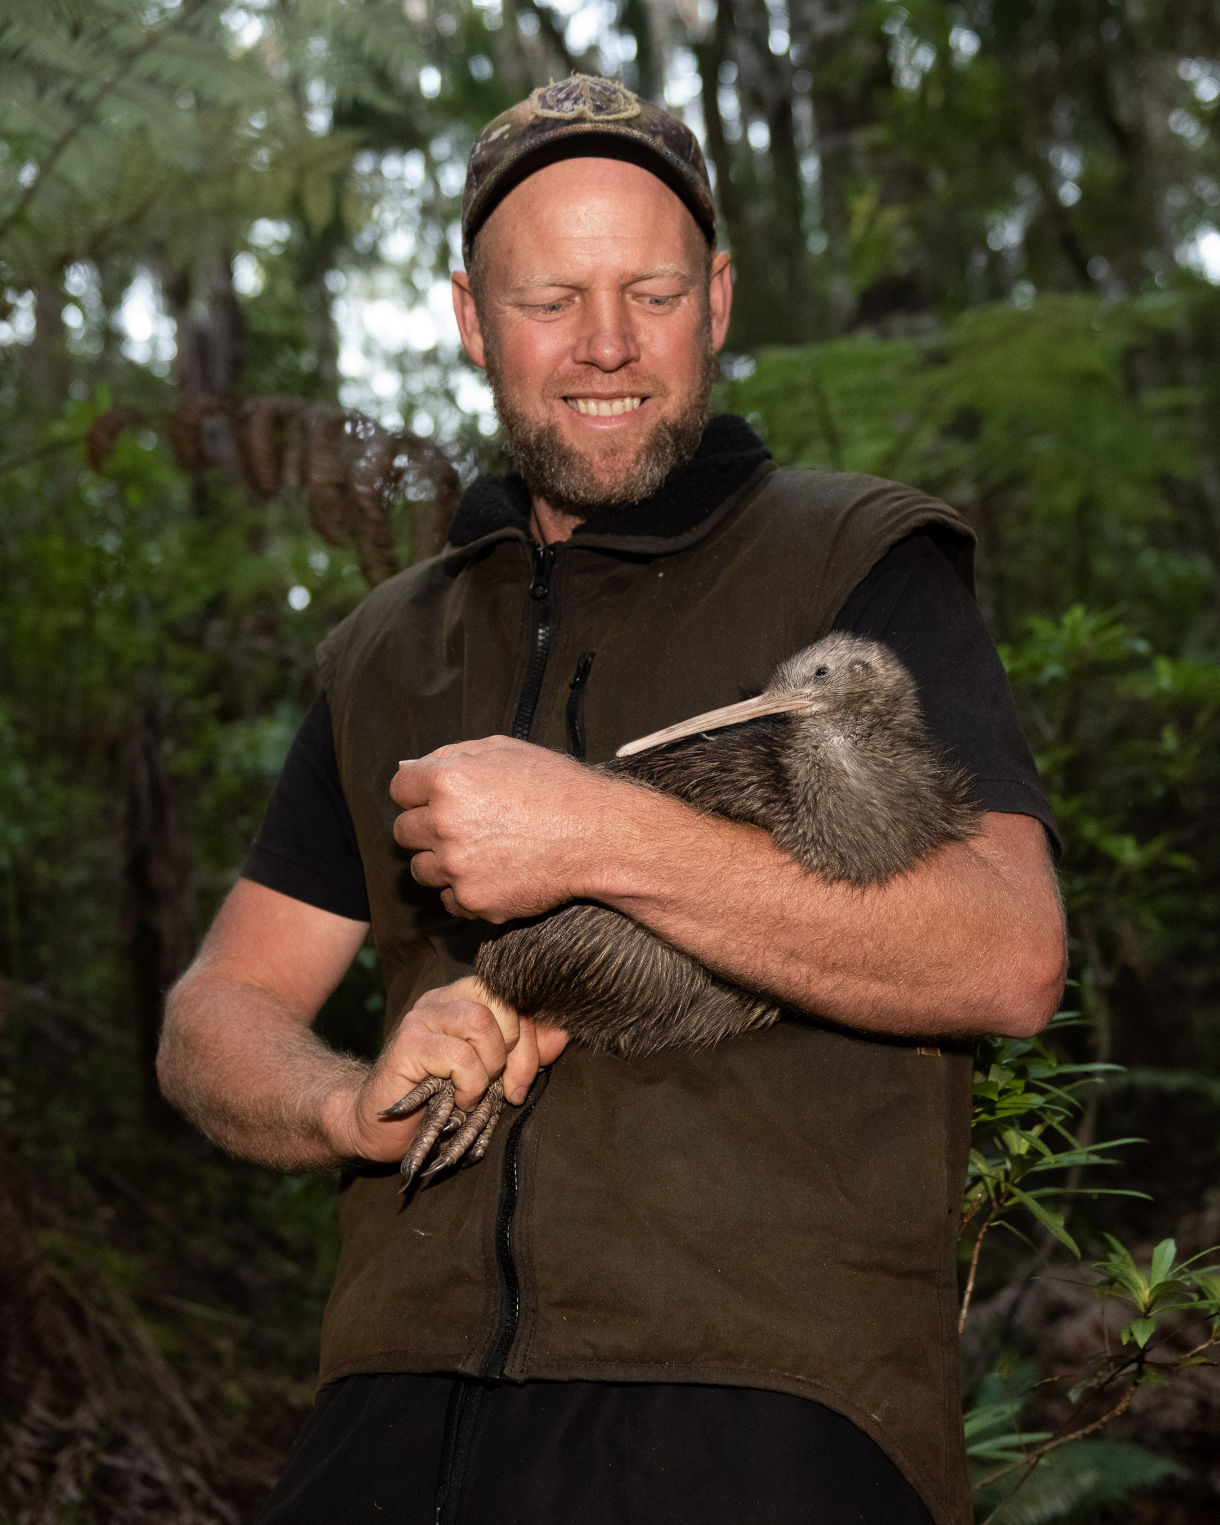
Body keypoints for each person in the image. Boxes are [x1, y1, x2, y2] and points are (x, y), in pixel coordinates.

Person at [159, 74, 1066, 1525]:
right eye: (550, 299)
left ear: (716, 299)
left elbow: (1006, 951)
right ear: (469, 316)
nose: (605, 345)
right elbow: (215, 1014)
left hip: (761, 1414)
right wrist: (344, 1102)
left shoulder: (858, 565)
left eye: (649, 292)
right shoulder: (388, 645)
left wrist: (597, 831)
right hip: (394, 1414)